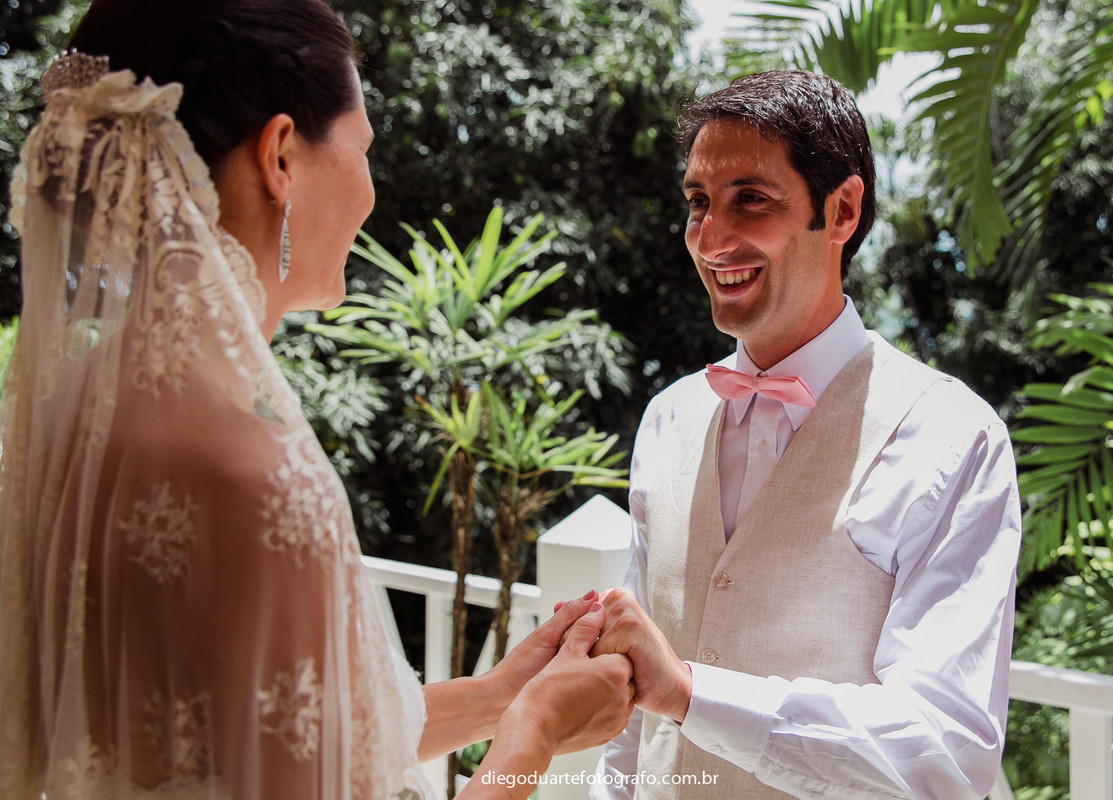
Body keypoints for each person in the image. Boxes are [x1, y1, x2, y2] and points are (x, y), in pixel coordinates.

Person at [0, 2, 633, 798]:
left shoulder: (73, 419)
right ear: (280, 157)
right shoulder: (255, 478)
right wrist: (534, 735)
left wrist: (499, 695)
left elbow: (259, 731)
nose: (371, 191)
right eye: (363, 149)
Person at [589, 70, 1022, 800]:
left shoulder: (954, 438)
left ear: (842, 209)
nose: (710, 238)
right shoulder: (667, 418)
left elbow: (944, 749)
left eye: (750, 199)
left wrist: (694, 694)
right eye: (698, 202)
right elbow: (633, 719)